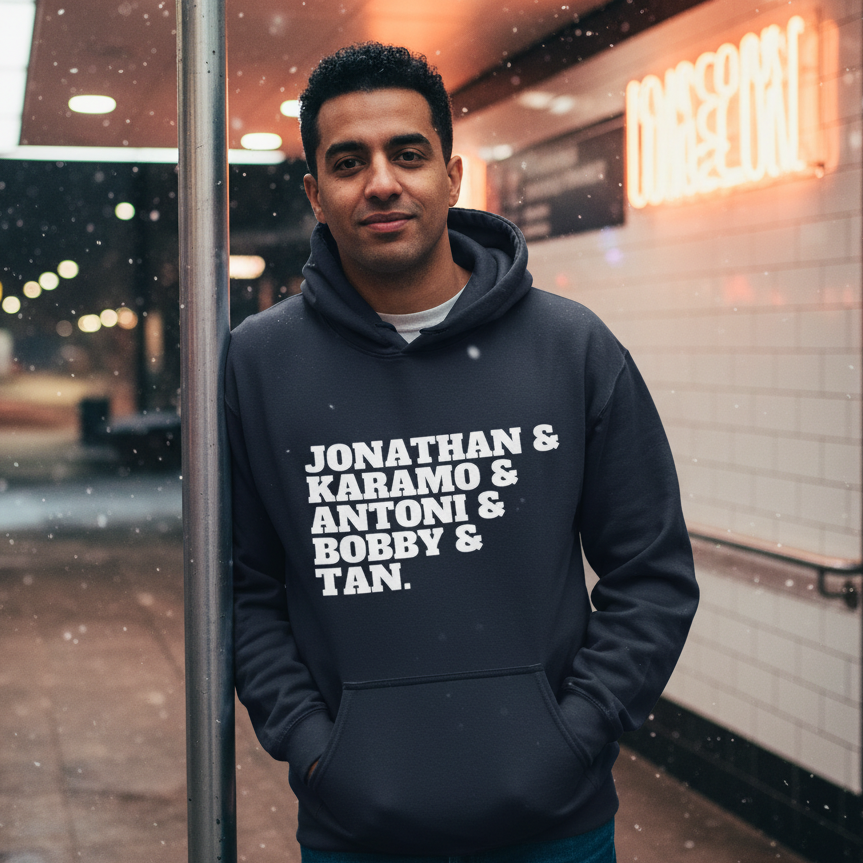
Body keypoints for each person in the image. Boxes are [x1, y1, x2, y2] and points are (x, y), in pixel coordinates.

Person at [225, 42, 699, 862]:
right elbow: (241, 588)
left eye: (407, 154)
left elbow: (649, 575)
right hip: (356, 831)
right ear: (315, 192)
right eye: (348, 161)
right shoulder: (256, 365)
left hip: (553, 828)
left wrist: (572, 733)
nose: (380, 181)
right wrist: (314, 746)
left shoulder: (571, 348)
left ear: (452, 174)